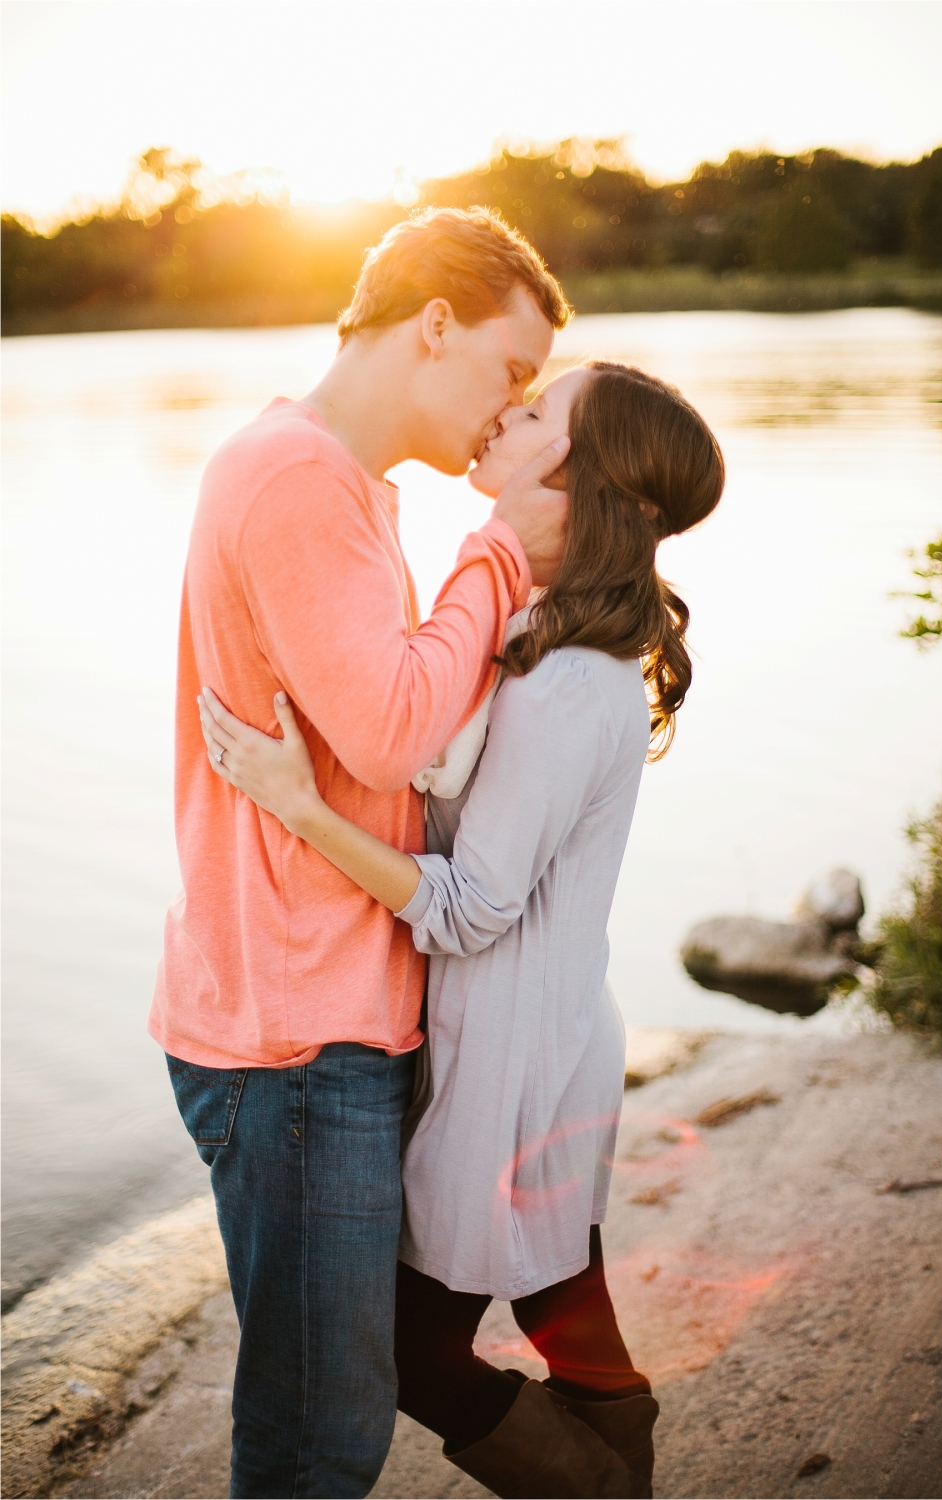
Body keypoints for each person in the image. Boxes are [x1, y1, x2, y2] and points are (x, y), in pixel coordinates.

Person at [198, 360, 726, 1498]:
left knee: (412, 1349)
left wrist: (298, 807)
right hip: (533, 1035)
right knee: (559, 1301)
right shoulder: (534, 633)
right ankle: (615, 1476)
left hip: (511, 1061)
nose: (511, 408)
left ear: (580, 479)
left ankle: (598, 1489)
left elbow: (470, 908)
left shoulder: (568, 683)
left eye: (540, 410)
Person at [151, 207, 574, 1500]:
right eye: (508, 371)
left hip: (325, 1017)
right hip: (291, 1036)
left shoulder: (338, 483)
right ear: (434, 325)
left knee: (341, 1402)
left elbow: (383, 734)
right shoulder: (298, 479)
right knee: (317, 1434)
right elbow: (392, 733)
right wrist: (500, 561)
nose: (511, 408)